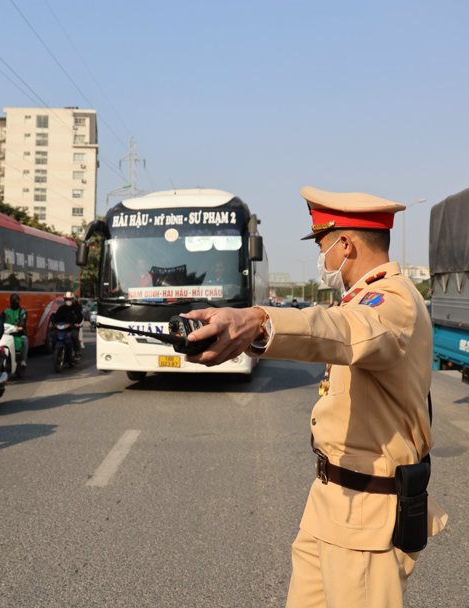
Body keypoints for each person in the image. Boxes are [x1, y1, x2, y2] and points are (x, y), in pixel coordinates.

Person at [184, 186, 448, 608]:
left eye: (322, 245)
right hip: (331, 502)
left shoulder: (392, 300)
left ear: (345, 245)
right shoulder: (363, 297)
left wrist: (258, 320)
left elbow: (342, 330)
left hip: (366, 514)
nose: (320, 259)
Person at [51, 291, 85, 360]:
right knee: (54, 335)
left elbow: (81, 318)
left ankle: (76, 353)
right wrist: (54, 323)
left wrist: (77, 324)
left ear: (72, 299)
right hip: (62, 328)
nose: (68, 301)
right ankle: (55, 352)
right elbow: (56, 317)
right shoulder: (61, 309)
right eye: (66, 299)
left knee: (74, 335)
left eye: (69, 299)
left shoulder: (76, 309)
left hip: (72, 328)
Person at [3, 293, 28, 369]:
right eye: (13, 301)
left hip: (19, 333)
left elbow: (23, 321)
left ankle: (23, 360)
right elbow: (0, 321)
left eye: (17, 301)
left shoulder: (22, 312)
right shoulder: (6, 311)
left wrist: (20, 326)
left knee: (25, 340)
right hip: (7, 333)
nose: (15, 302)